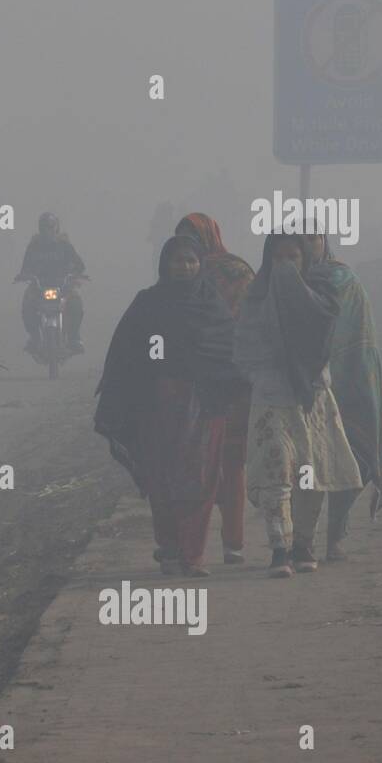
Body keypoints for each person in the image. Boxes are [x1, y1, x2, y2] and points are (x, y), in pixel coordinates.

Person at [94, 234, 246, 577]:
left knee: (201, 478)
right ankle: (170, 547)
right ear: (165, 264)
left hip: (205, 407)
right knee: (161, 479)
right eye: (178, 260)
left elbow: (228, 352)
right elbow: (126, 352)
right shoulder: (148, 303)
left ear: (200, 264)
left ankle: (193, 555)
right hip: (157, 407)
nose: (185, 267)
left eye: (191, 260)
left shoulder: (212, 305)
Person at [234, 232, 362, 578]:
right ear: (267, 261)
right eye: (279, 259)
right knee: (277, 472)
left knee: (310, 474)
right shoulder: (256, 298)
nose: (286, 266)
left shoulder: (321, 298)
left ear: (306, 262)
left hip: (313, 398)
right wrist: (260, 375)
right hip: (271, 397)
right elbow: (243, 348)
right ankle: (280, 549)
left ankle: (304, 544)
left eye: (294, 258)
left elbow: (323, 338)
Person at [304, 231, 382, 560]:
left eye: (313, 237)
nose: (308, 244)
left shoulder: (344, 277)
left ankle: (335, 536)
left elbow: (359, 331)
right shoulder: (283, 281)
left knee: (357, 457)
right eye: (299, 238)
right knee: (308, 465)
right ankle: (302, 542)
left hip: (353, 379)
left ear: (324, 242)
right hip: (304, 384)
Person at [176, 212, 255, 565]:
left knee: (226, 461)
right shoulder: (185, 273)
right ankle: (210, 544)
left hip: (230, 379)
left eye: (191, 237)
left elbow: (254, 319)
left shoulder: (220, 272)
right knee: (211, 461)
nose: (187, 248)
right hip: (201, 381)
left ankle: (230, 542)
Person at [16, 212, 86, 352]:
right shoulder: (34, 246)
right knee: (27, 305)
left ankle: (74, 337)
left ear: (56, 228)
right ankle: (34, 337)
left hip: (64, 286)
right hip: (39, 287)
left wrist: (76, 273)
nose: (48, 231)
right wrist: (24, 275)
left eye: (50, 227)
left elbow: (80, 265)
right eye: (44, 227)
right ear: (40, 229)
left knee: (77, 303)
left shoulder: (64, 245)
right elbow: (25, 267)